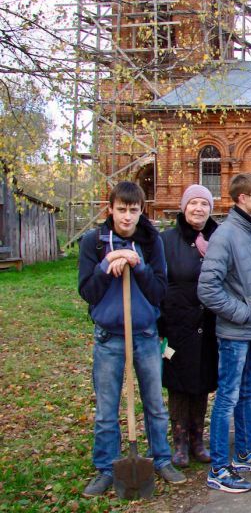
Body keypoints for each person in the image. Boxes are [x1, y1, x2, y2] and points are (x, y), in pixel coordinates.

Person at [78, 181, 186, 497]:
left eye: (134, 210)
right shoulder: (93, 242)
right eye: (122, 210)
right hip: (109, 336)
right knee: (107, 408)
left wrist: (136, 265)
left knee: (154, 403)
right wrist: (106, 264)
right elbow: (87, 292)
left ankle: (162, 460)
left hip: (146, 335)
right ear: (110, 209)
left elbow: (159, 292)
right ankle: (106, 468)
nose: (127, 217)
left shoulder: (152, 242)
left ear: (142, 211)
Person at [198, 173, 251, 493]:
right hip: (235, 334)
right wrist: (245, 314)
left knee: (248, 393)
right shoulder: (225, 235)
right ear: (242, 199)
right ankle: (219, 467)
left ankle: (244, 452)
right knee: (228, 397)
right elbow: (208, 289)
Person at [159, 185, 219, 467]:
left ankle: (198, 439)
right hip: (176, 326)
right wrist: (162, 325)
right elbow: (158, 283)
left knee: (203, 381)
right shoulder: (166, 241)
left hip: (208, 325)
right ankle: (180, 441)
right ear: (184, 207)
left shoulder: (216, 238)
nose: (199, 209)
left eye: (204, 204)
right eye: (193, 203)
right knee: (178, 383)